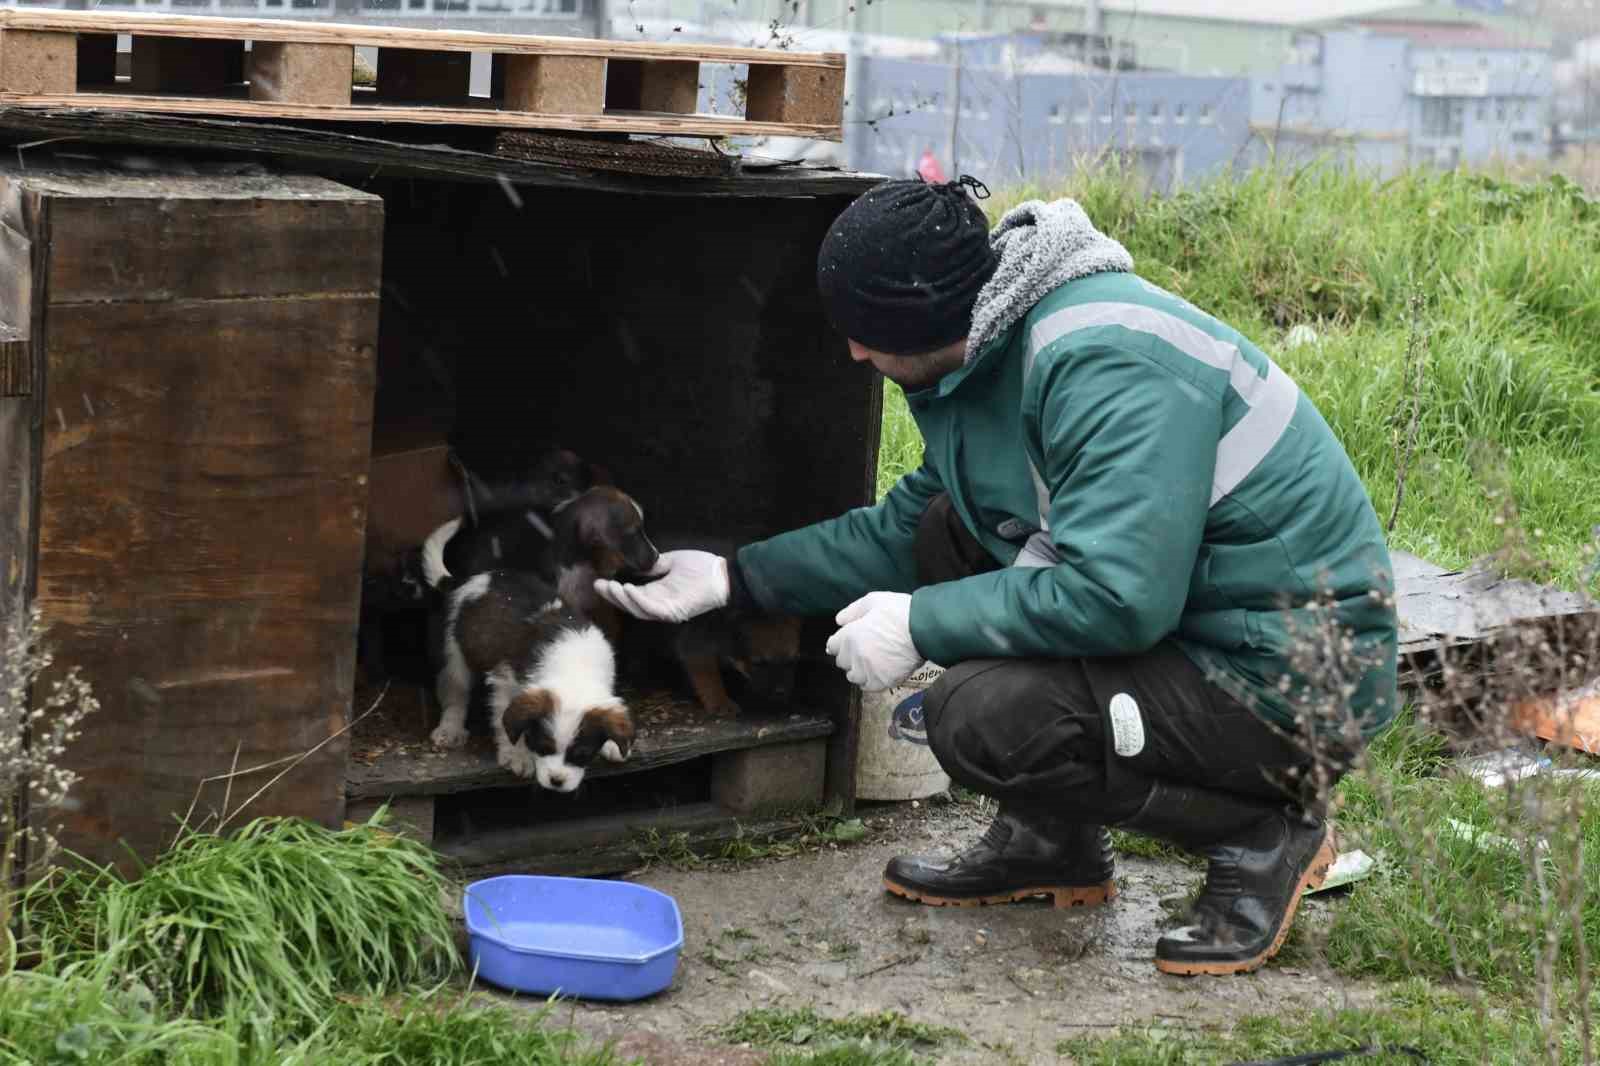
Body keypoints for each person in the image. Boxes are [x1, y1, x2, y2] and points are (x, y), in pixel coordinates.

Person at [595, 175, 1399, 977]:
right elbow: (910, 528)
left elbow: (1117, 597)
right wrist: (737, 578)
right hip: (1199, 621)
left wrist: (919, 624)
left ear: (924, 319)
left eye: (866, 332)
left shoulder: (1103, 361)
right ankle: (1051, 843)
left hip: (1291, 672)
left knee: (982, 717)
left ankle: (1261, 834)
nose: (853, 353)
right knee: (951, 530)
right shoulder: (984, 348)